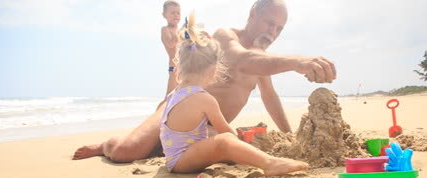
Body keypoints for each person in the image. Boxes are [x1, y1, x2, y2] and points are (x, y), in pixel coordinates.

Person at [72, 0, 336, 162]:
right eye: (269, 23)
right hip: (177, 113)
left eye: (279, 28)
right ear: (253, 12)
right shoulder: (226, 35)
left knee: (167, 153)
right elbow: (241, 60)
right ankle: (106, 145)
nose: (273, 32)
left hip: (209, 129)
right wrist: (297, 62)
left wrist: (289, 136)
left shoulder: (262, 58)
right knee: (127, 152)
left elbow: (269, 97)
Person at [157, 13, 308, 176]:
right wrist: (243, 144)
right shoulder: (205, 99)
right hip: (183, 160)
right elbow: (226, 133)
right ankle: (270, 163)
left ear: (179, 70)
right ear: (213, 71)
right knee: (226, 142)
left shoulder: (175, 93)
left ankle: (251, 158)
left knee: (223, 147)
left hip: (176, 157)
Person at [161, 1, 181, 97]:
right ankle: (164, 111)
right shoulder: (165, 29)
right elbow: (171, 44)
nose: (176, 15)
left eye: (178, 13)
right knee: (170, 96)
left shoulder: (182, 31)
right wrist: (179, 32)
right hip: (174, 68)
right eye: (172, 13)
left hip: (186, 69)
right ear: (164, 15)